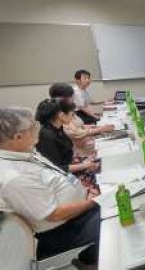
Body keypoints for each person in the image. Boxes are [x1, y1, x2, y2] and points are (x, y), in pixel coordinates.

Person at [0, 107, 100, 269]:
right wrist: (93, 201)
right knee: (119, 218)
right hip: (66, 231)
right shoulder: (13, 177)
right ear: (18, 137)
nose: (38, 128)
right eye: (34, 126)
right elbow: (54, 214)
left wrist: (85, 193)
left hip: (77, 215)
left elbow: (57, 178)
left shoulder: (25, 152)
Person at [35, 98, 99, 175]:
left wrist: (84, 161)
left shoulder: (58, 128)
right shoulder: (47, 136)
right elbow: (56, 168)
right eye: (72, 114)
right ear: (61, 115)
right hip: (61, 177)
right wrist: (83, 165)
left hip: (70, 168)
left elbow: (67, 155)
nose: (73, 116)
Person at [49, 83, 114, 157]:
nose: (73, 99)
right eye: (70, 97)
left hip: (85, 142)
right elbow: (76, 133)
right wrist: (100, 129)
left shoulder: (68, 108)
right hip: (77, 152)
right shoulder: (59, 114)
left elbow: (79, 125)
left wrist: (91, 126)